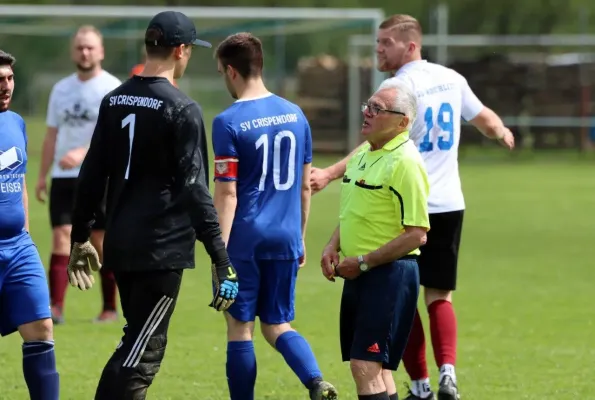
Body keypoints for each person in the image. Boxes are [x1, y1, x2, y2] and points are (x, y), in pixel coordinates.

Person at [311, 14, 515, 400]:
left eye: (385, 43)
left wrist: (331, 173)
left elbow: (368, 150)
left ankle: (420, 384)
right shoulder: (451, 78)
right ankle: (448, 374)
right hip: (448, 202)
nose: (378, 50)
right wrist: (502, 132)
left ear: (411, 44)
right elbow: (484, 118)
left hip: (398, 203)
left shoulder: (397, 87)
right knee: (438, 295)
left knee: (400, 298)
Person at [67, 11, 239, 399]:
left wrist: (81, 237)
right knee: (144, 351)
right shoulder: (182, 108)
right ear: (181, 50)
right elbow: (196, 189)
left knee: (136, 337)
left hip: (122, 242)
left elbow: (91, 174)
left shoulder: (113, 100)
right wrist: (220, 256)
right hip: (159, 250)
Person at [211, 32, 338, 400]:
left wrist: (220, 253)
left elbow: (227, 192)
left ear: (231, 71)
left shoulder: (228, 122)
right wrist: (298, 237)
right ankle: (315, 380)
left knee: (239, 327)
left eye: (222, 72)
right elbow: (304, 186)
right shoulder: (296, 115)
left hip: (245, 240)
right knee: (278, 324)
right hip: (285, 237)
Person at [321, 82, 429, 400]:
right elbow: (355, 211)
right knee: (377, 368)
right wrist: (332, 246)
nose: (367, 113)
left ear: (402, 122)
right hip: (360, 271)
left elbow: (416, 233)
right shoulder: (364, 154)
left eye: (377, 109)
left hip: (389, 274)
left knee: (364, 365)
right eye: (368, 105)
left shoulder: (405, 163)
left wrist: (365, 261)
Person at [36, 25, 121, 325]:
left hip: (100, 176)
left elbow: (115, 138)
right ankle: (55, 307)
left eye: (90, 47)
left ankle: (109, 307)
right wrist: (42, 176)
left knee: (100, 240)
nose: (84, 52)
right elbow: (50, 136)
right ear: (73, 51)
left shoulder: (113, 89)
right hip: (63, 177)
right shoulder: (61, 89)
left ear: (101, 52)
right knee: (61, 236)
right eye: (79, 47)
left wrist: (84, 153)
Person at [0, 49, 60, 400]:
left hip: (19, 248)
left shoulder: (16, 123)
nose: (6, 86)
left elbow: (18, 181)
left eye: (9, 79)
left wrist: (24, 231)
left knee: (41, 327)